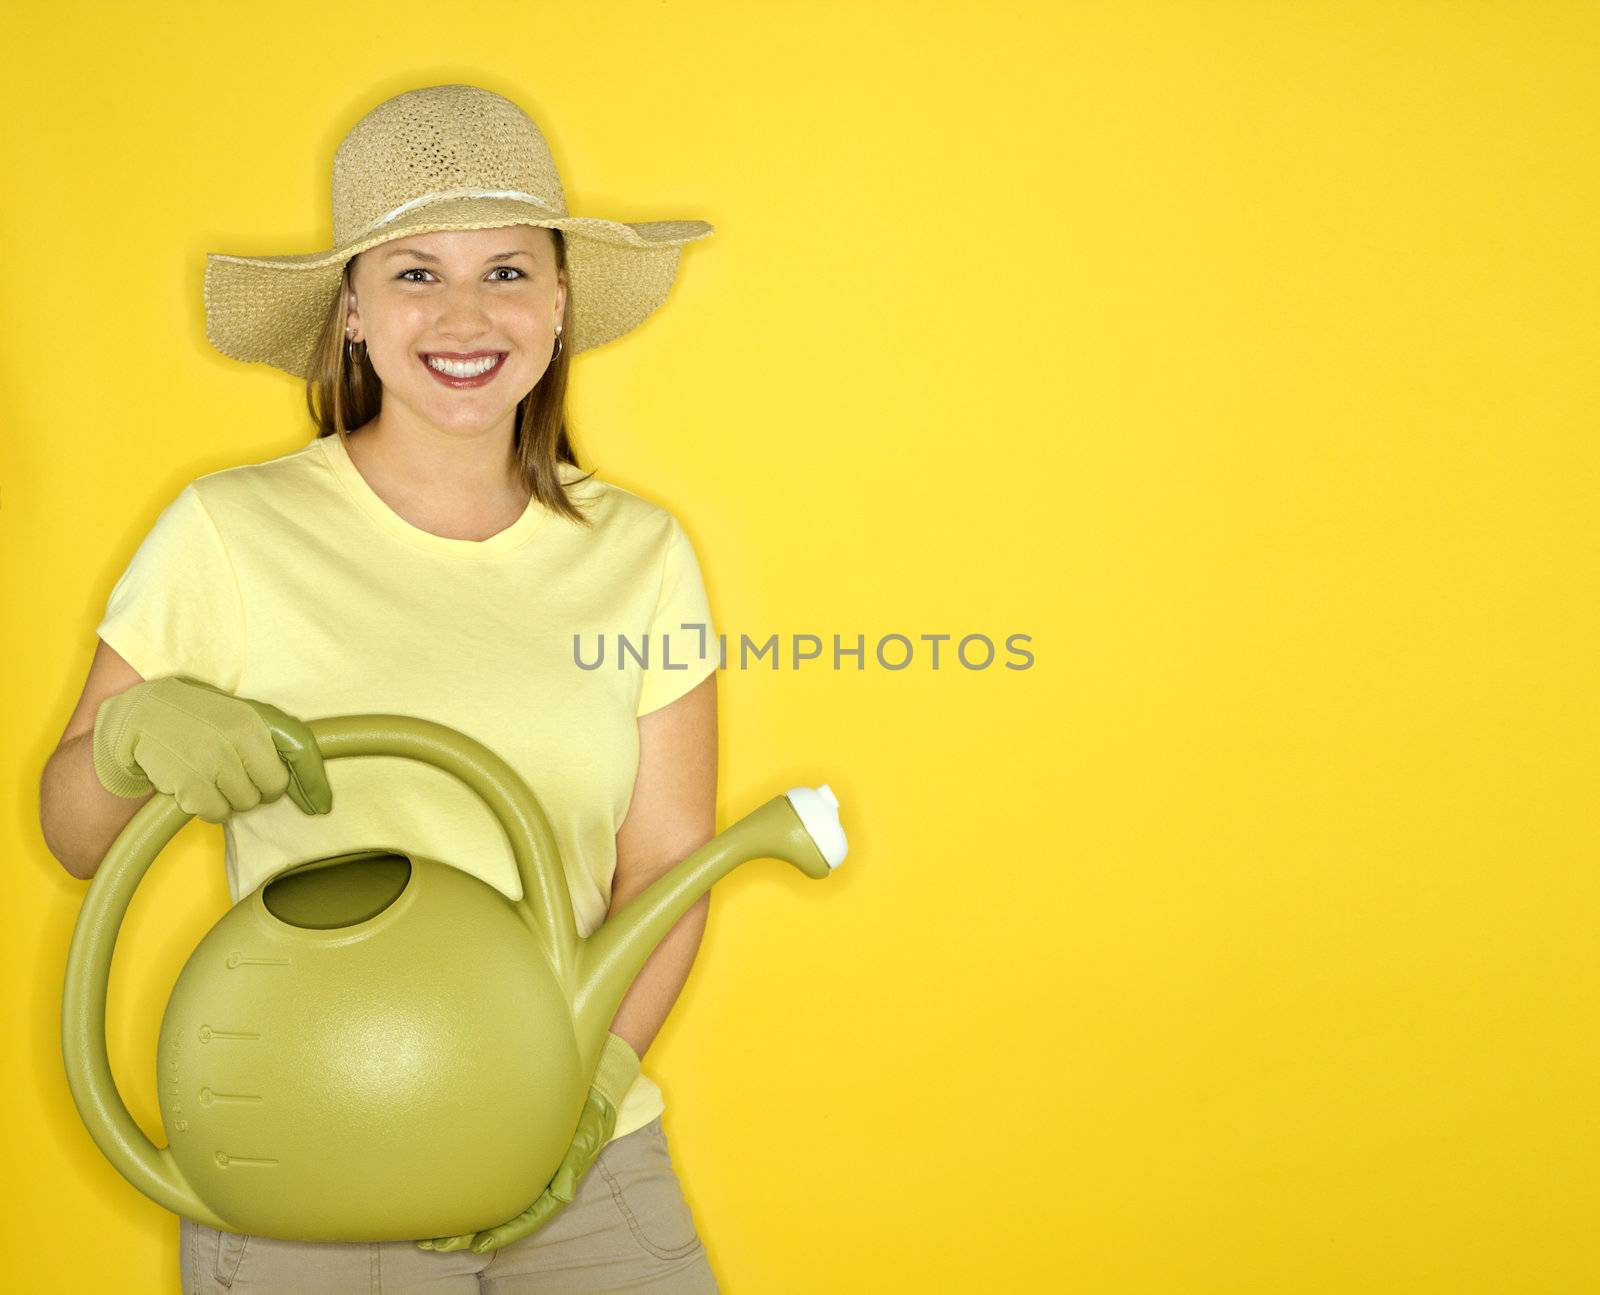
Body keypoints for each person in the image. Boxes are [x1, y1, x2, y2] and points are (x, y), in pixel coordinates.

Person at [39, 84, 723, 1293]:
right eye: (416, 273)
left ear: (559, 302)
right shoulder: (231, 532)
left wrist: (591, 1084)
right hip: (315, 1149)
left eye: (507, 271)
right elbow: (76, 838)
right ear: (353, 310)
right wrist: (125, 740)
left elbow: (666, 856)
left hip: (581, 1155)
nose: (466, 314)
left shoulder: (642, 551)